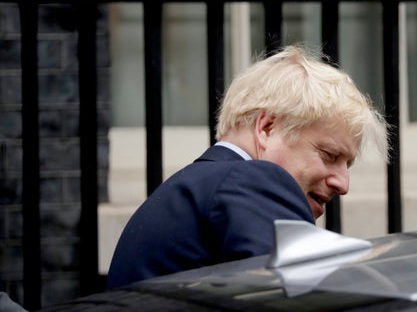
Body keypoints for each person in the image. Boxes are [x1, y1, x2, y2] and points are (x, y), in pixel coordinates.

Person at [106, 45, 388, 289]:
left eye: (347, 165)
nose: (343, 184)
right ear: (267, 127)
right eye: (329, 155)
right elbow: (306, 298)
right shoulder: (251, 180)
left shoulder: (198, 187)